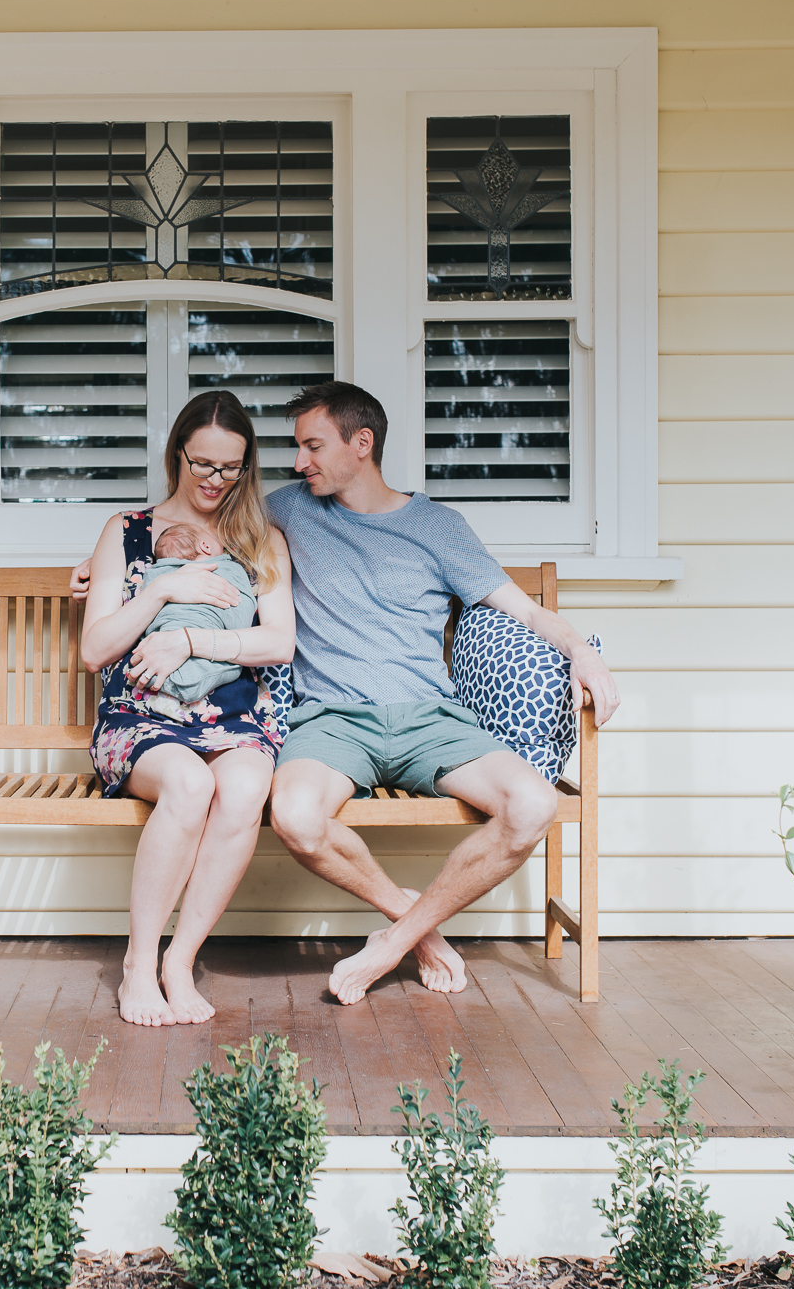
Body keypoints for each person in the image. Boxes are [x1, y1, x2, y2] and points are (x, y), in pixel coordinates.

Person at [264, 381, 620, 1005]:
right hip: (331, 720)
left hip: (430, 719)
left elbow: (528, 614)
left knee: (534, 806)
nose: (300, 462)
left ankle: (391, 942)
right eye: (299, 448)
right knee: (294, 817)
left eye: (313, 446)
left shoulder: (438, 527)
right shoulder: (290, 509)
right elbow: (197, 517)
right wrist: (107, 559)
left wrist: (584, 651)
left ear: (362, 443)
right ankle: (420, 934)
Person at [78, 390, 295, 1028]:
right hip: (139, 717)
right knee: (188, 780)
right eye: (203, 464)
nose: (215, 481)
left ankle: (181, 960)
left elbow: (277, 642)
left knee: (249, 782)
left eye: (232, 468)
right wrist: (163, 591)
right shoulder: (128, 531)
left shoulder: (261, 541)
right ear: (178, 454)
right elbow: (95, 649)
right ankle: (138, 966)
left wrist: (193, 639)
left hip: (231, 720)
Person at [130, 522, 259, 721]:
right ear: (205, 547)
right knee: (235, 666)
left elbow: (144, 620)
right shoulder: (228, 569)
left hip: (153, 666)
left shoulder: (154, 576)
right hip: (207, 665)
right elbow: (241, 621)